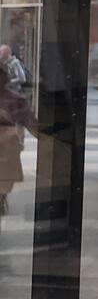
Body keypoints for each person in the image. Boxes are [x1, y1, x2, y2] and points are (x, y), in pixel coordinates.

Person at [0, 67, 36, 227]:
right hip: (8, 147)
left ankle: (1, 196)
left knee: (5, 179)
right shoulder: (15, 100)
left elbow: (30, 122)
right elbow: (30, 123)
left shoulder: (15, 100)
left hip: (7, 147)